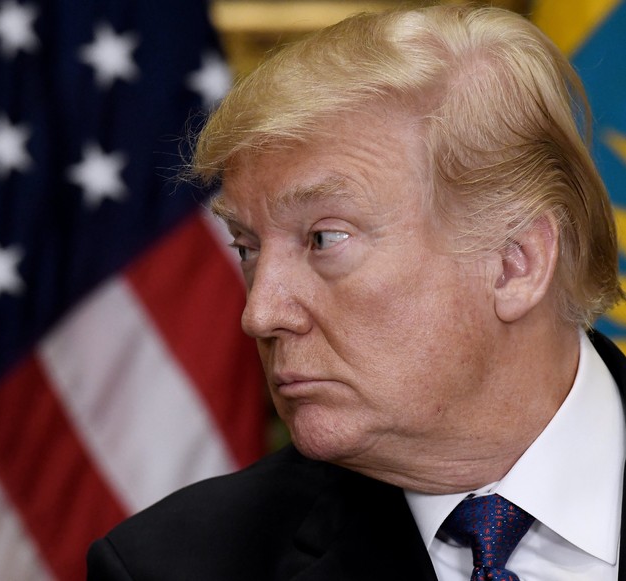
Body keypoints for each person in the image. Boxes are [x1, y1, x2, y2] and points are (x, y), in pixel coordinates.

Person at [87, 4, 626, 580]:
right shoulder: (169, 566)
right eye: (246, 248)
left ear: (515, 263)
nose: (260, 313)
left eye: (324, 239)